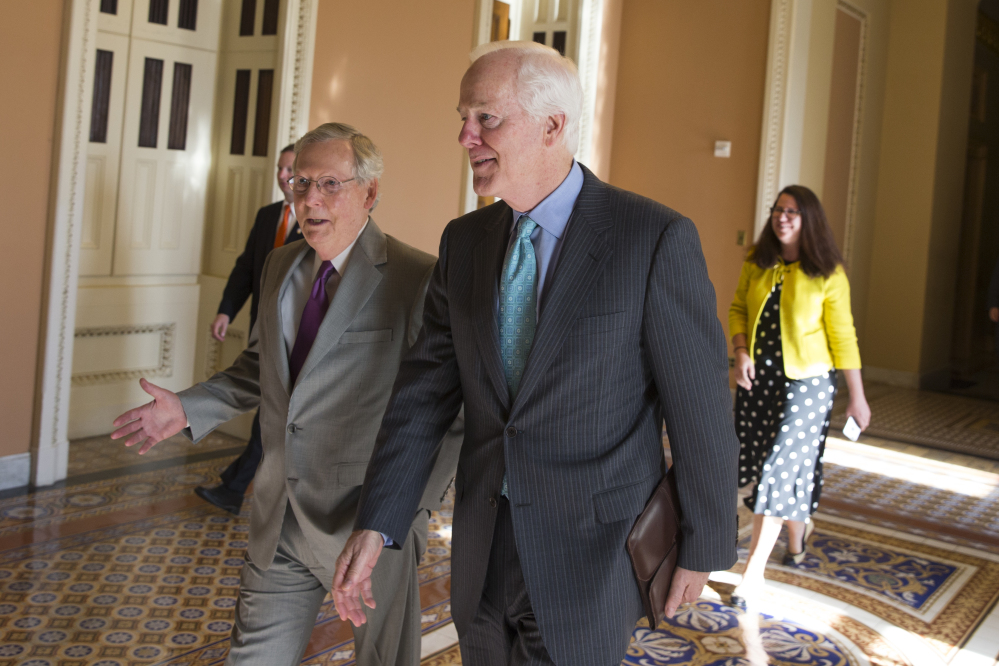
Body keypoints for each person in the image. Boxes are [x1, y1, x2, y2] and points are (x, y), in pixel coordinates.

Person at [332, 41, 738, 666]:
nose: (465, 135)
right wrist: (377, 520)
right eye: (462, 118)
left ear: (553, 126)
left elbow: (700, 409)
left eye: (485, 118)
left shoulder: (652, 238)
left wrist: (703, 544)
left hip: (594, 556)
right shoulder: (464, 242)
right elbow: (422, 397)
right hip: (481, 549)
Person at [110, 123, 462, 666]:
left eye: (328, 184)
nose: (309, 199)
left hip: (368, 526)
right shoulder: (279, 266)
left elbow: (450, 409)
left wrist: (401, 517)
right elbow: (262, 369)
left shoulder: (417, 278)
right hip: (279, 518)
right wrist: (188, 407)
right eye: (300, 183)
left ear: (369, 193)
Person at [727, 184, 871, 608]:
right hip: (758, 384)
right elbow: (737, 308)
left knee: (776, 471)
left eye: (792, 211)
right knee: (763, 466)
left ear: (809, 219)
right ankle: (797, 533)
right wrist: (739, 352)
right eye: (777, 209)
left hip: (808, 387)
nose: (782, 217)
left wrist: (857, 397)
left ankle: (753, 575)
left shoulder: (828, 273)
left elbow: (843, 337)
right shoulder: (758, 261)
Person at [197, 143, 304, 514]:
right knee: (268, 409)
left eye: (290, 169)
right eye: (279, 168)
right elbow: (245, 269)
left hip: (292, 333)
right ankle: (235, 484)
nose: (282, 175)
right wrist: (226, 310)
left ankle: (236, 485)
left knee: (271, 411)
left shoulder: (314, 220)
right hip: (261, 325)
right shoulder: (266, 216)